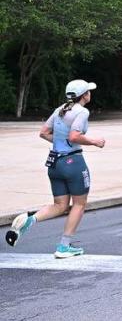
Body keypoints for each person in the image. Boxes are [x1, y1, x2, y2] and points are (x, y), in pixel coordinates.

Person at [5, 80, 106, 258]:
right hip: (72, 163)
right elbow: (75, 136)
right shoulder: (82, 112)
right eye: (88, 91)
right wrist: (95, 142)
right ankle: (64, 247)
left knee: (60, 205)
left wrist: (61, 142)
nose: (90, 93)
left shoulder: (60, 109)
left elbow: (43, 132)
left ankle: (30, 219)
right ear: (84, 95)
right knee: (79, 204)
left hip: (55, 163)